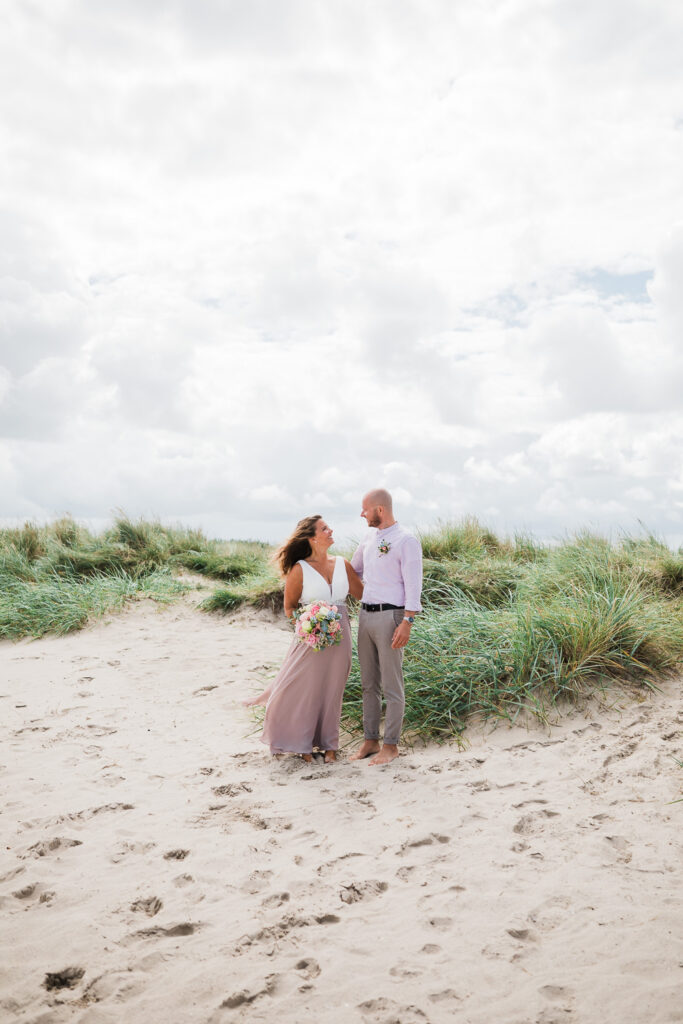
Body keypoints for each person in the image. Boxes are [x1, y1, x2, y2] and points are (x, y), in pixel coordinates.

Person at [249, 515, 363, 763]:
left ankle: (330, 746)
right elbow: (290, 608)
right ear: (312, 538)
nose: (331, 530)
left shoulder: (343, 564)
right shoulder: (300, 569)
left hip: (341, 634)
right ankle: (301, 744)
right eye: (324, 528)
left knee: (334, 690)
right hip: (309, 637)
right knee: (304, 689)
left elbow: (362, 593)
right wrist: (308, 626)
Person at [349, 489, 423, 766]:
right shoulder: (368, 538)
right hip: (365, 616)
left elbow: (414, 587)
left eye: (365, 509)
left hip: (392, 617)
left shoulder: (406, 540)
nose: (361, 514)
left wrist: (408, 622)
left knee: (392, 685)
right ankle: (371, 740)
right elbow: (353, 570)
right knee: (368, 683)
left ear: (379, 510)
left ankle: (391, 745)